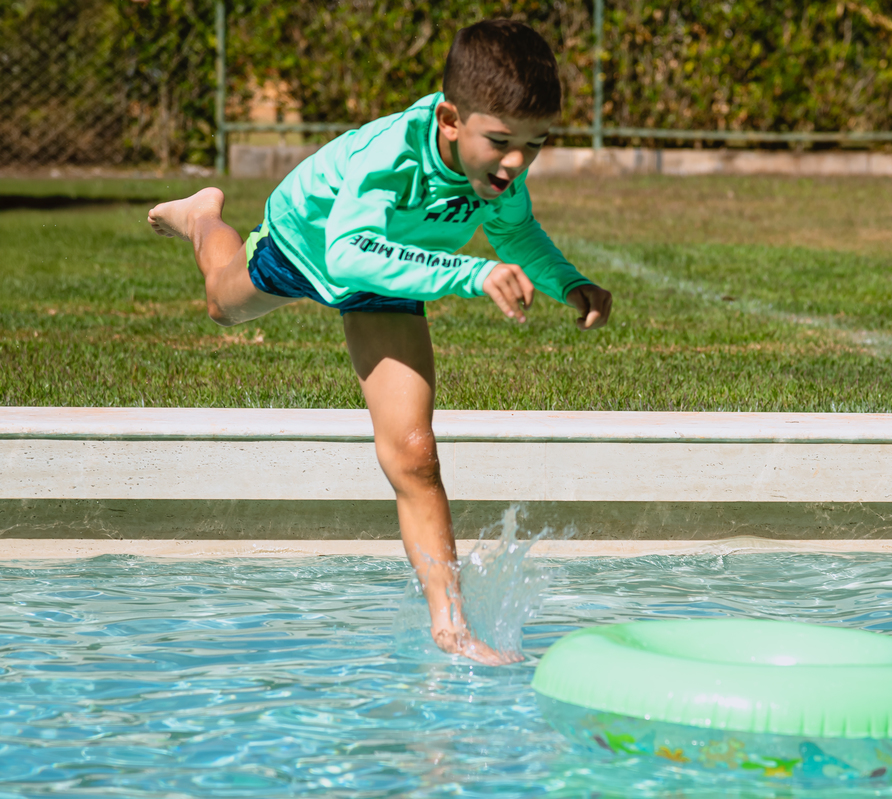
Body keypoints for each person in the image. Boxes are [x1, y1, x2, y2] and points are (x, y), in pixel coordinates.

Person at [146, 19, 613, 665]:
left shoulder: (501, 173)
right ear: (450, 120)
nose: (515, 163)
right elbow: (348, 250)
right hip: (312, 244)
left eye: (534, 145)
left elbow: (517, 233)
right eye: (502, 142)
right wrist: (470, 272)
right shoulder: (389, 156)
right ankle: (203, 216)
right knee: (223, 304)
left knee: (415, 452)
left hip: (393, 272)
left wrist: (569, 283)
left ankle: (451, 628)